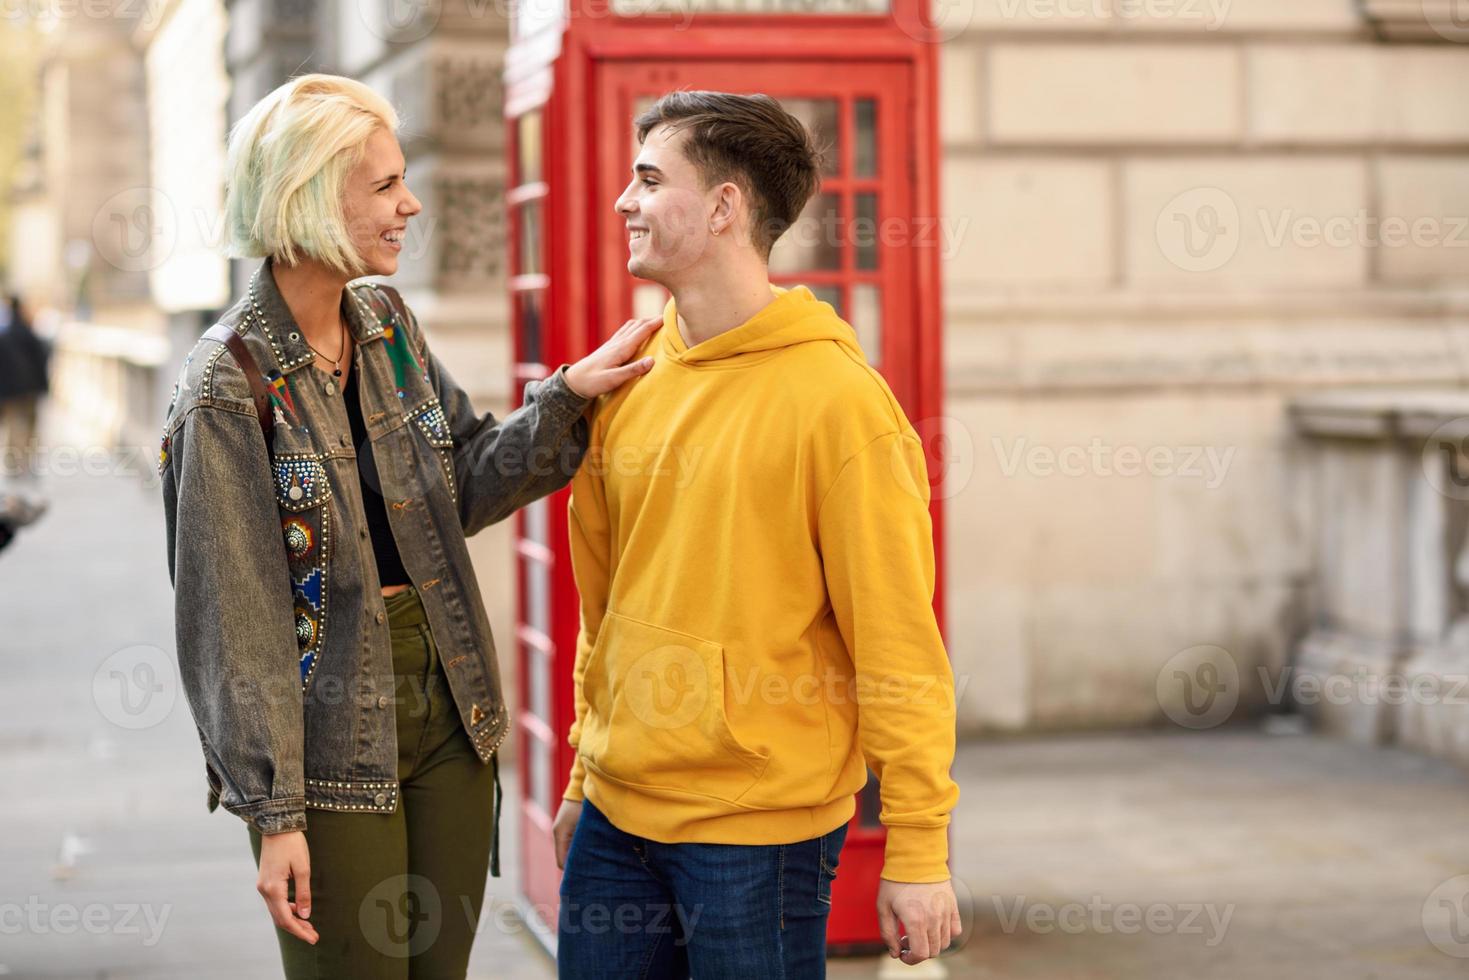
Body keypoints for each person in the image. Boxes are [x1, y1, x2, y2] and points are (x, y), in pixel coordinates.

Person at [158, 74, 658, 979]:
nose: (411, 203)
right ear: (311, 198)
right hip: (328, 725)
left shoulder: (385, 324)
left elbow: (458, 484)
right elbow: (234, 628)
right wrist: (274, 817)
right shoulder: (225, 387)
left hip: (450, 700)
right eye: (386, 186)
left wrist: (564, 400)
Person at [552, 91, 962, 979]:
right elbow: (607, 605)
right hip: (617, 820)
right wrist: (585, 774)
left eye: (650, 179)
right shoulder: (626, 378)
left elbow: (897, 641)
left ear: (724, 207)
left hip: (757, 836)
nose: (624, 201)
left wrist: (918, 848)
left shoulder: (840, 404)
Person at [0, 293, 49, 477]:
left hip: (11, 391)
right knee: (29, 427)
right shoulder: (28, 332)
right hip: (31, 389)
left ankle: (15, 465)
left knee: (15, 427)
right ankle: (25, 464)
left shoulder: (5, 335)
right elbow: (41, 360)